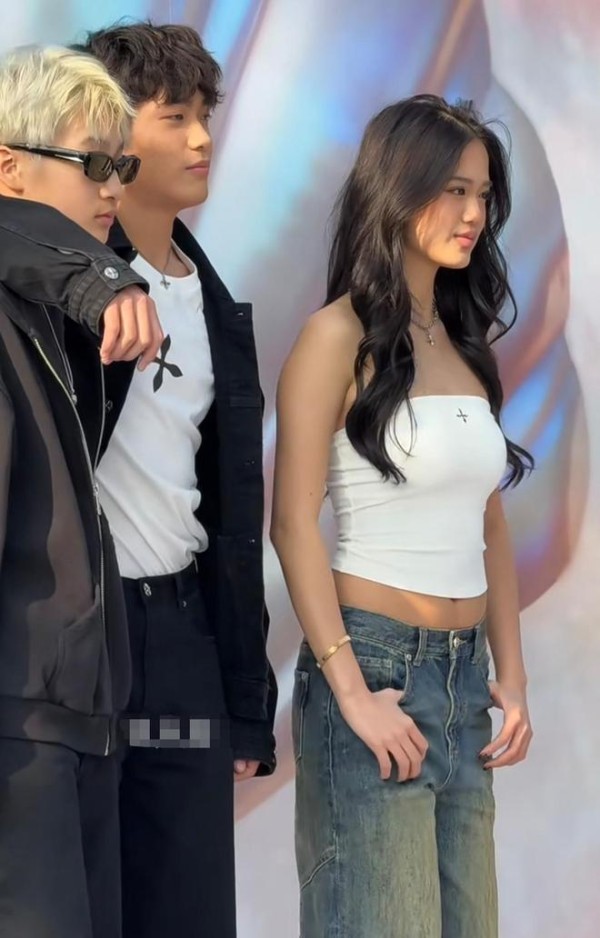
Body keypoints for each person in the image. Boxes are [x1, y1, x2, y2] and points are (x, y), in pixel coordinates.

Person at [271, 94, 534, 938]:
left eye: (482, 194)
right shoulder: (335, 335)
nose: (472, 213)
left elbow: (489, 526)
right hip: (376, 667)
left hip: (463, 685)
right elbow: (291, 525)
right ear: (398, 187)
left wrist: (512, 676)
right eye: (453, 190)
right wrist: (351, 693)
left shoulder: (464, 343)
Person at [71, 22, 276, 938]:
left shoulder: (211, 300)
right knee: (80, 900)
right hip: (86, 630)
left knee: (190, 907)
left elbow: (232, 513)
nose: (201, 139)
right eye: (175, 117)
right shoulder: (60, 287)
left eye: (206, 116)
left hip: (183, 630)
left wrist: (244, 700)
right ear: (111, 132)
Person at [0, 45, 162, 938]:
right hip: (19, 722)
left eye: (121, 168)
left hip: (78, 715)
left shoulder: (55, 317)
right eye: (92, 164)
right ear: (8, 167)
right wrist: (98, 276)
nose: (111, 190)